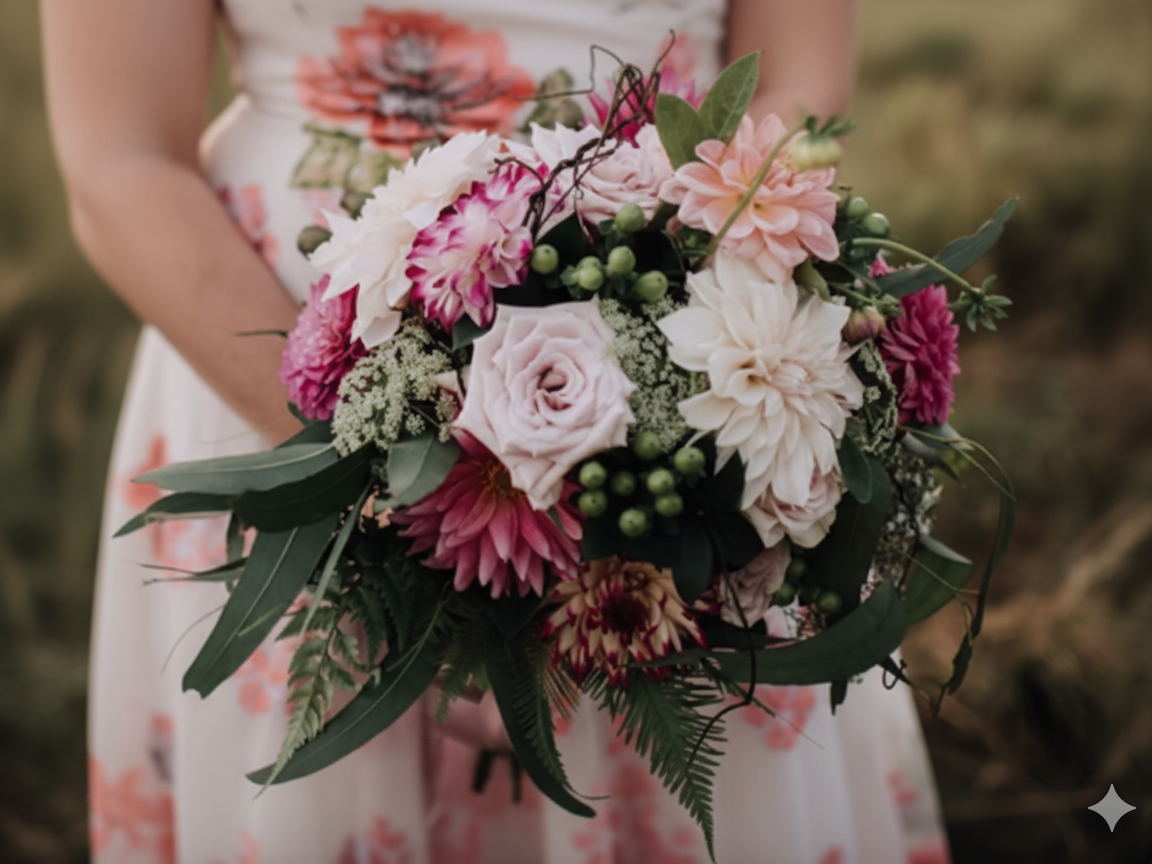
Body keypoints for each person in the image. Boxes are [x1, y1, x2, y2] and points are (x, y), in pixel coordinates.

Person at [41, 1, 950, 861]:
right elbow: (121, 160)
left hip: (690, 342)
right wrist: (369, 462)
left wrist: (670, 352)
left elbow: (802, 87)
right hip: (270, 341)